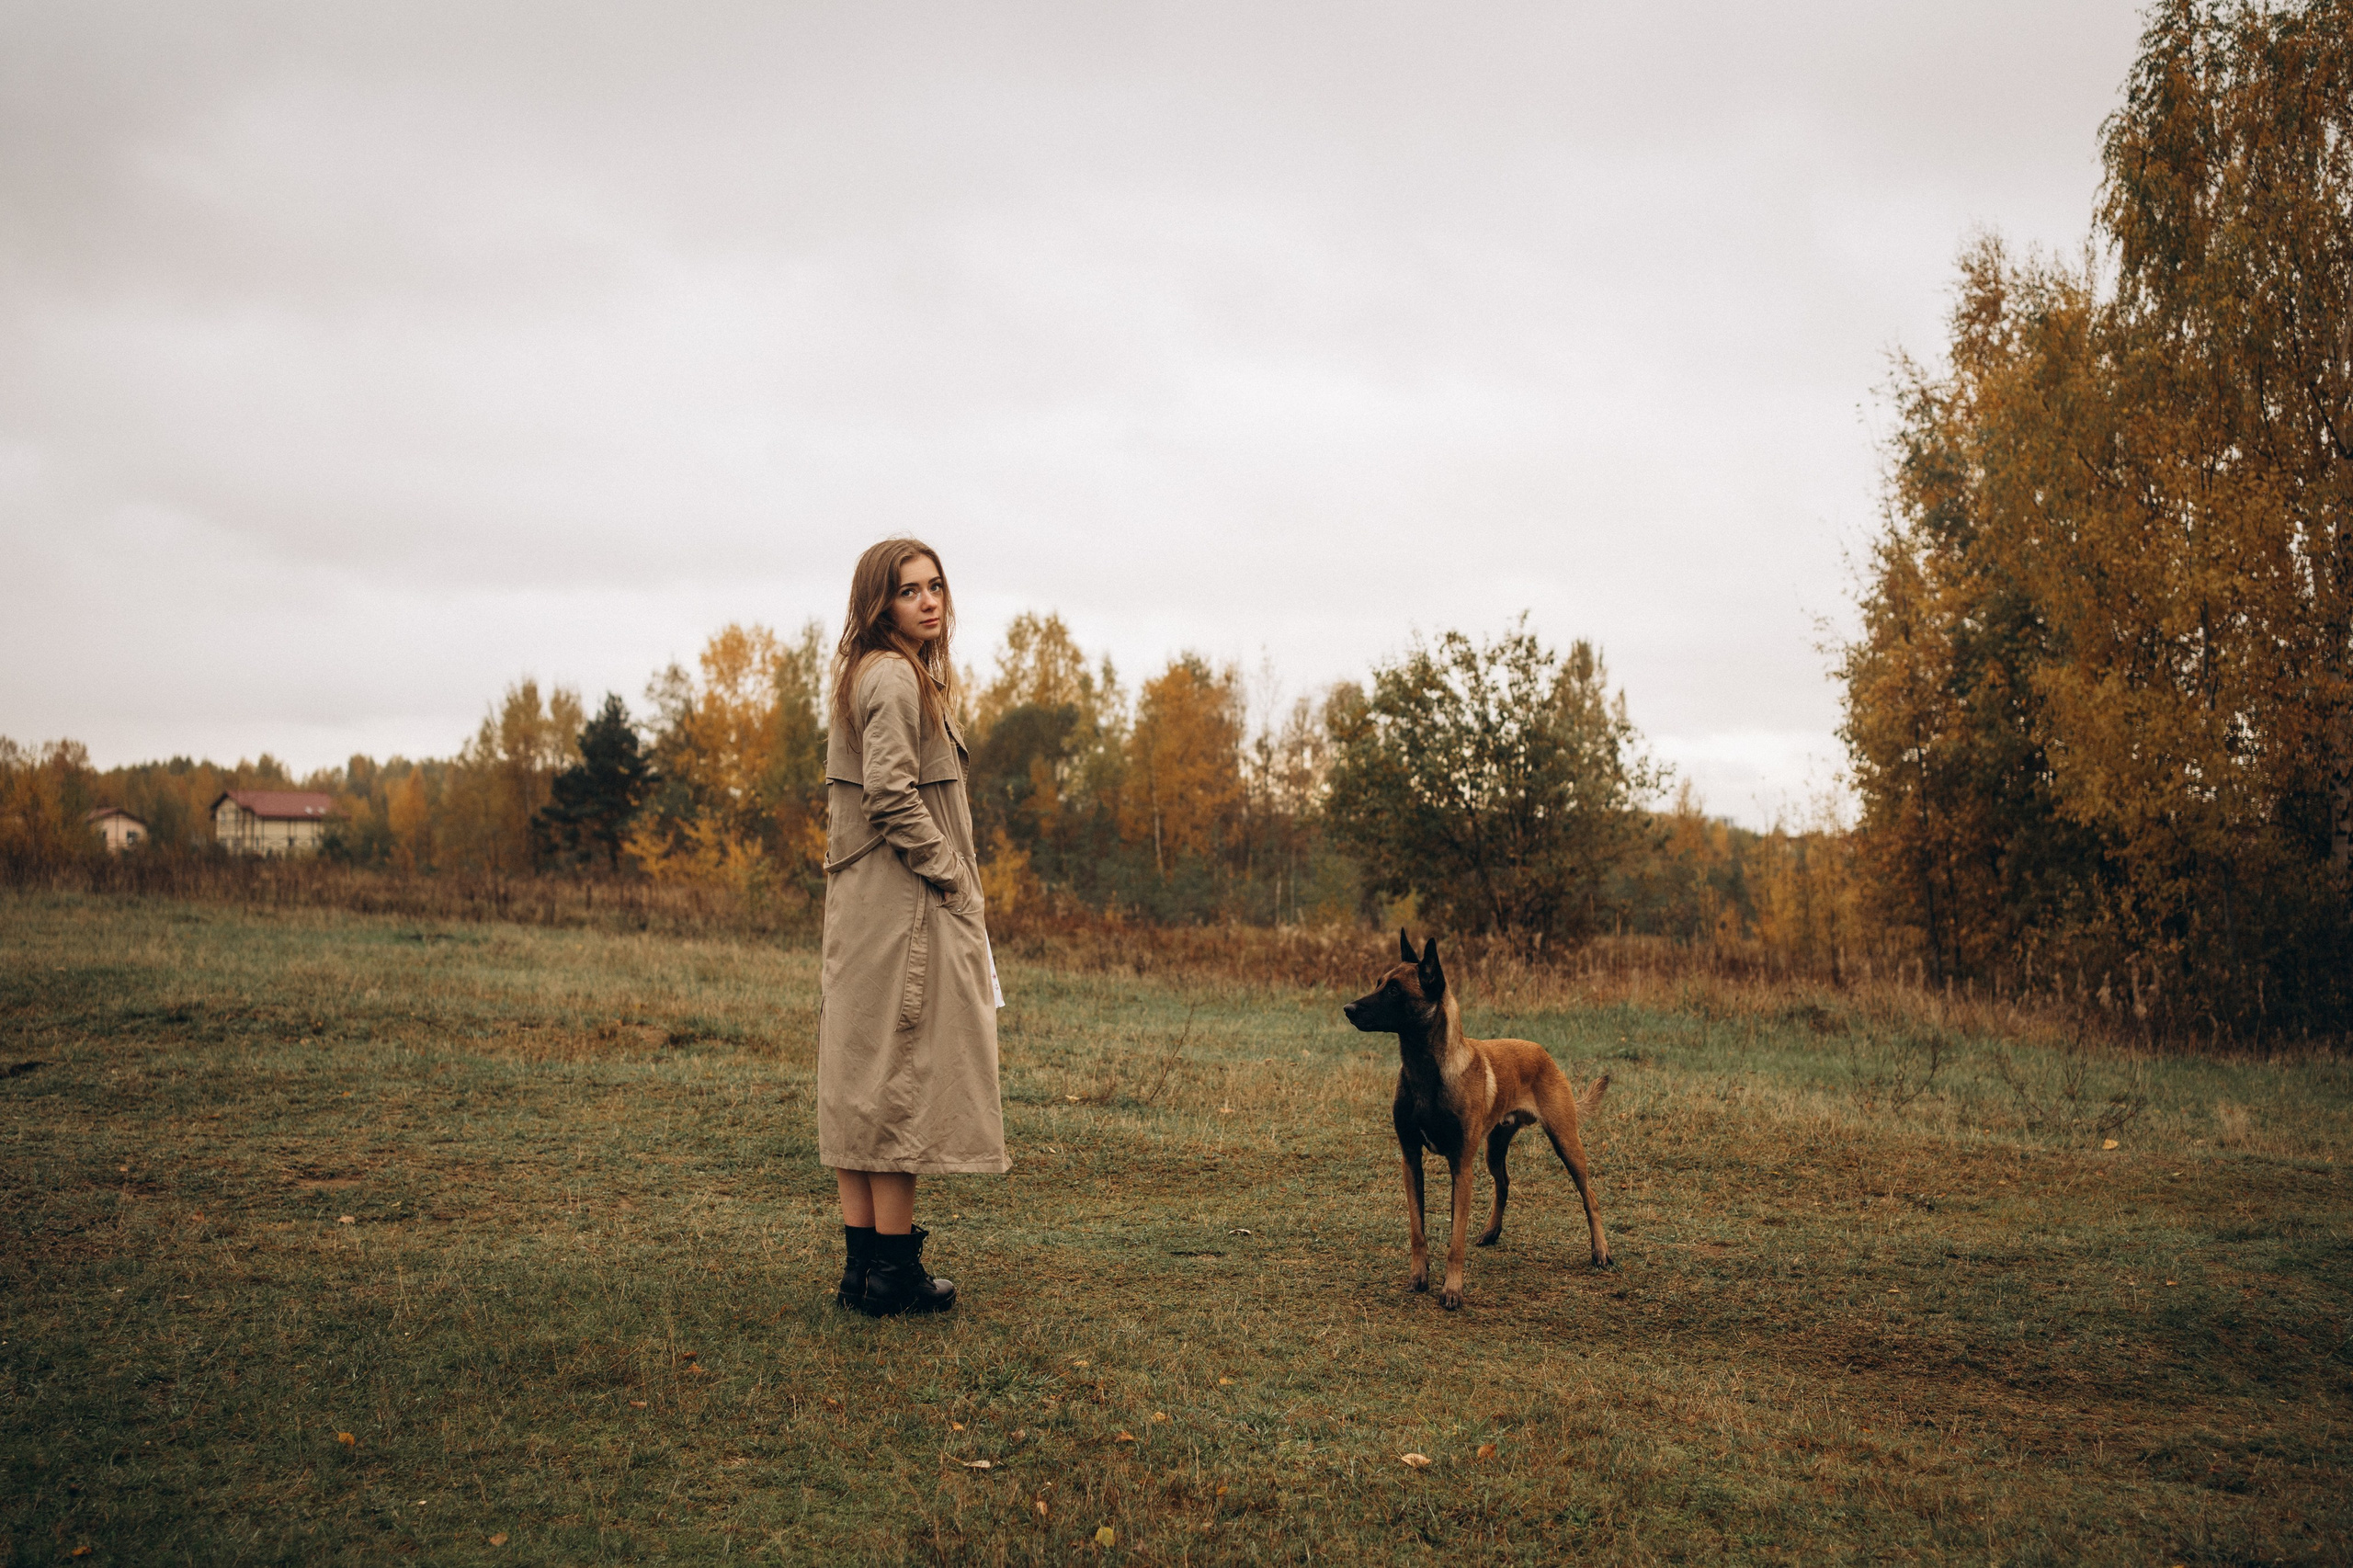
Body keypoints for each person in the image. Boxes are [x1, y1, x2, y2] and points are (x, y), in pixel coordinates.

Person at [818, 537, 1009, 1315]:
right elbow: (892, 797)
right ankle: (892, 1274)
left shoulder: (873, 673)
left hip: (866, 908)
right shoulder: (895, 677)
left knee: (862, 1075)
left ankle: (864, 1269)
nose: (929, 601)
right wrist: (953, 874)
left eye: (935, 586)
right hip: (900, 908)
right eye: (909, 590)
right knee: (895, 1078)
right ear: (878, 603)